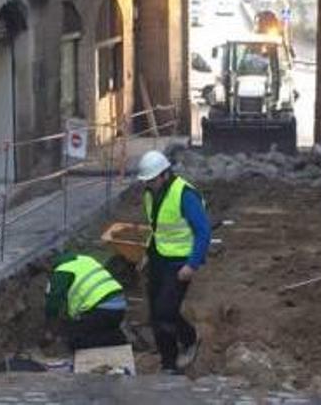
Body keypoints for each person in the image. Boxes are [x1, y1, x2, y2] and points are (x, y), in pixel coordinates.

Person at [137, 150, 211, 374]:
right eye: (146, 181)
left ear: (164, 175)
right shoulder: (150, 194)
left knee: (165, 312)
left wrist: (192, 264)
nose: (148, 185)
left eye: (151, 180)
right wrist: (147, 254)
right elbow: (157, 228)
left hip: (179, 261)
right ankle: (177, 350)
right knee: (157, 312)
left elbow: (203, 231)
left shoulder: (185, 195)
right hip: (159, 257)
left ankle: (175, 358)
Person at [44, 253, 128, 351]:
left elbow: (53, 302)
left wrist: (50, 327)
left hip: (101, 309)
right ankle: (114, 332)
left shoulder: (62, 271)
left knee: (74, 340)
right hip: (119, 307)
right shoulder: (85, 259)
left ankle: (116, 339)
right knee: (96, 328)